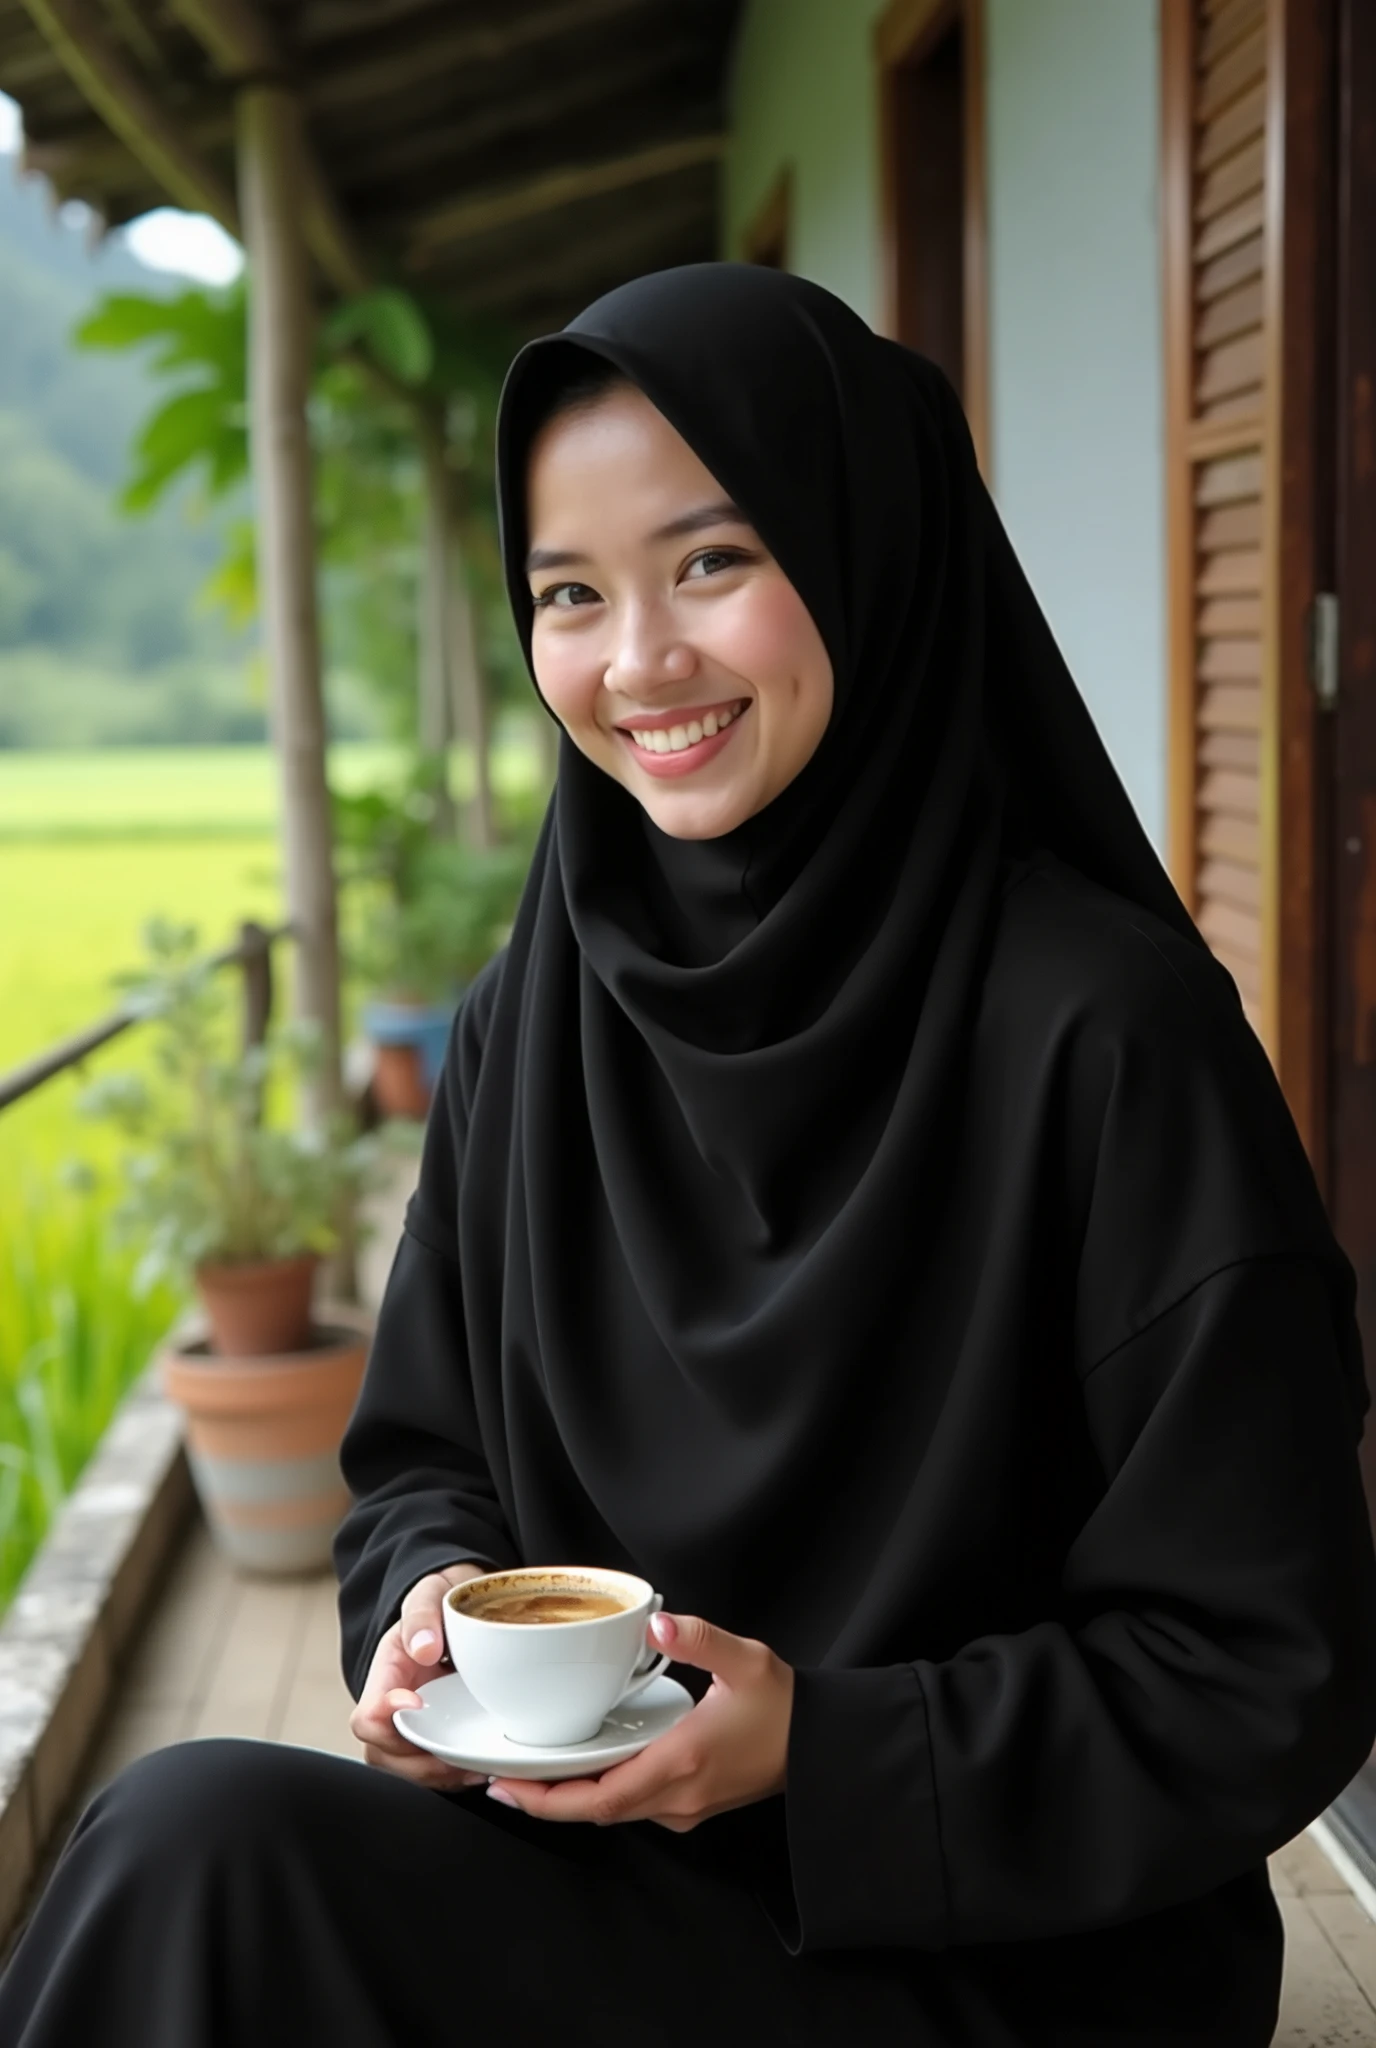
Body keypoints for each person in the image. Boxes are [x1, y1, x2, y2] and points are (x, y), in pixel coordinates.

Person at [3, 262, 1375, 2048]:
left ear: (863, 552)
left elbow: (1265, 1663)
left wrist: (825, 1748)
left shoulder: (1105, 1039)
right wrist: (428, 1617)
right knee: (191, 1841)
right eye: (569, 592)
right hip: (608, 1877)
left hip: (995, 1953)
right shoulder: (534, 1019)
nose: (638, 661)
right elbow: (423, 1455)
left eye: (713, 561)